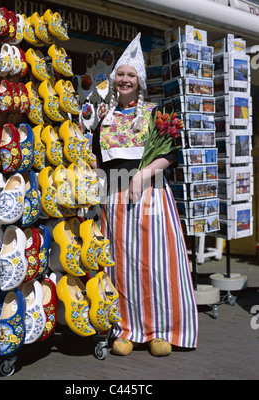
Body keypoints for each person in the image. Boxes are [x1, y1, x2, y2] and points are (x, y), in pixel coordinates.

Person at [91, 33, 198, 356]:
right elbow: (96, 160)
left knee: (155, 264)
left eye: (131, 75)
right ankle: (125, 328)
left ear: (140, 81)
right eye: (121, 74)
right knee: (120, 265)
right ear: (114, 79)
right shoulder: (102, 118)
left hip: (151, 197)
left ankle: (161, 328)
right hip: (114, 200)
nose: (125, 80)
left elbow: (173, 154)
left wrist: (144, 174)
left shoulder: (154, 115)